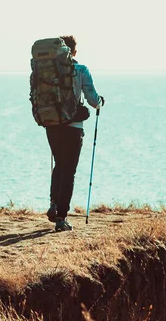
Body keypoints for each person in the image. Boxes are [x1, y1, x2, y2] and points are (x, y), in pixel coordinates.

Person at [45, 35, 103, 231]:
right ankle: (61, 217)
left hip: (52, 124)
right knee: (68, 170)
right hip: (73, 127)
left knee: (59, 164)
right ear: (74, 52)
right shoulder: (80, 70)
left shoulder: (48, 71)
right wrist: (100, 102)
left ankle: (53, 203)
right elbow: (93, 100)